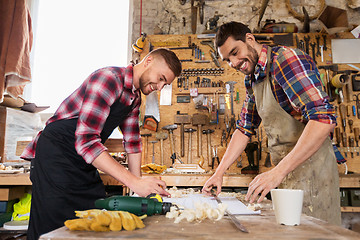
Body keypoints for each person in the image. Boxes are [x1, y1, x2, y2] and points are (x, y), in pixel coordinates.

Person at [21, 48, 182, 239]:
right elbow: (87, 141)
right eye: (161, 78)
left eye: (166, 84)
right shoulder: (109, 79)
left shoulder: (134, 97)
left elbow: (132, 142)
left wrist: (138, 191)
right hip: (56, 156)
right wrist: (134, 182)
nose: (160, 87)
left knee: (94, 218)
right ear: (148, 61)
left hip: (83, 161)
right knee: (53, 228)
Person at [202, 21, 341, 225]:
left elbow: (323, 119)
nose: (233, 63)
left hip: (313, 171)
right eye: (227, 60)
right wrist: (219, 173)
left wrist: (277, 172)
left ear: (250, 39)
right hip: (285, 173)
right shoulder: (253, 78)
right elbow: (244, 129)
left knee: (314, 233)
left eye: (235, 52)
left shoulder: (285, 60)